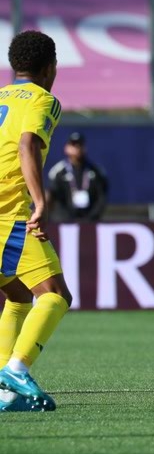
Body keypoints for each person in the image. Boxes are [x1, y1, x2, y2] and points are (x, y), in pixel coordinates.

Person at [0, 30, 74, 412]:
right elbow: (28, 144)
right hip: (10, 213)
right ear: (50, 68)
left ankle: (4, 393)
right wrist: (41, 202)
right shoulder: (44, 99)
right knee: (57, 295)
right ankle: (15, 370)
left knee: (16, 296)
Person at [46, 132, 108, 222]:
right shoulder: (58, 171)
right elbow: (51, 195)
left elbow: (101, 198)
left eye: (80, 145)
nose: (77, 148)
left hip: (90, 221)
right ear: (66, 148)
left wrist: (92, 218)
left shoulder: (96, 171)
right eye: (74, 145)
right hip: (63, 221)